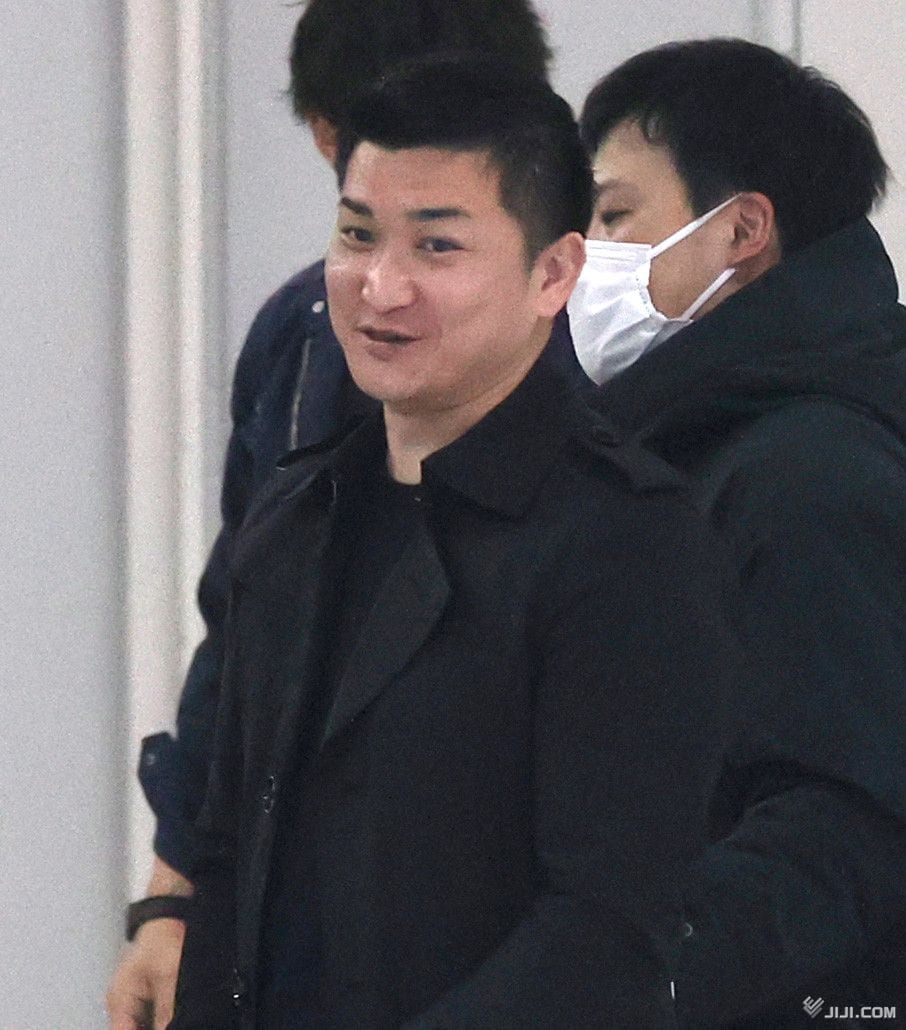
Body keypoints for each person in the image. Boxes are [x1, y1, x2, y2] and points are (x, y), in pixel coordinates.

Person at [170, 55, 745, 1027]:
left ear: (553, 273)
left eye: (437, 247)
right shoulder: (298, 514)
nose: (379, 287)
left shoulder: (625, 542)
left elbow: (607, 929)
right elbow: (231, 854)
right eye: (357, 235)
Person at [106, 3, 565, 1027]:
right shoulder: (301, 340)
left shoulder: (604, 351)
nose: (391, 288)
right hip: (297, 926)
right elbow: (244, 635)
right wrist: (170, 901)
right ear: (332, 144)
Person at [570, 38, 906, 1026]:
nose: (582, 258)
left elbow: (841, 818)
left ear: (742, 229)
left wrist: (621, 978)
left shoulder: (807, 477)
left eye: (615, 217)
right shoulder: (707, 442)